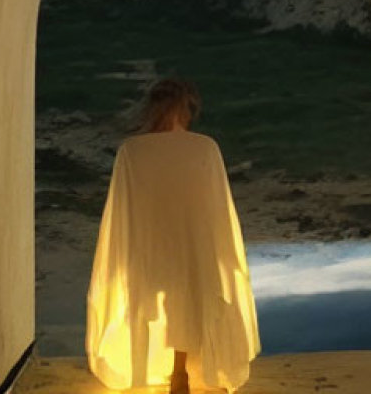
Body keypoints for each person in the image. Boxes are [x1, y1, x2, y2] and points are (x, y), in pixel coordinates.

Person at [86, 79, 260, 393]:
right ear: (187, 108)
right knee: (188, 298)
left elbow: (123, 211)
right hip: (192, 241)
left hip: (148, 246)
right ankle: (179, 371)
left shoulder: (132, 150)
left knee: (156, 300)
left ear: (151, 108)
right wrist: (220, 252)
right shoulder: (204, 147)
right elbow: (217, 207)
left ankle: (166, 370)